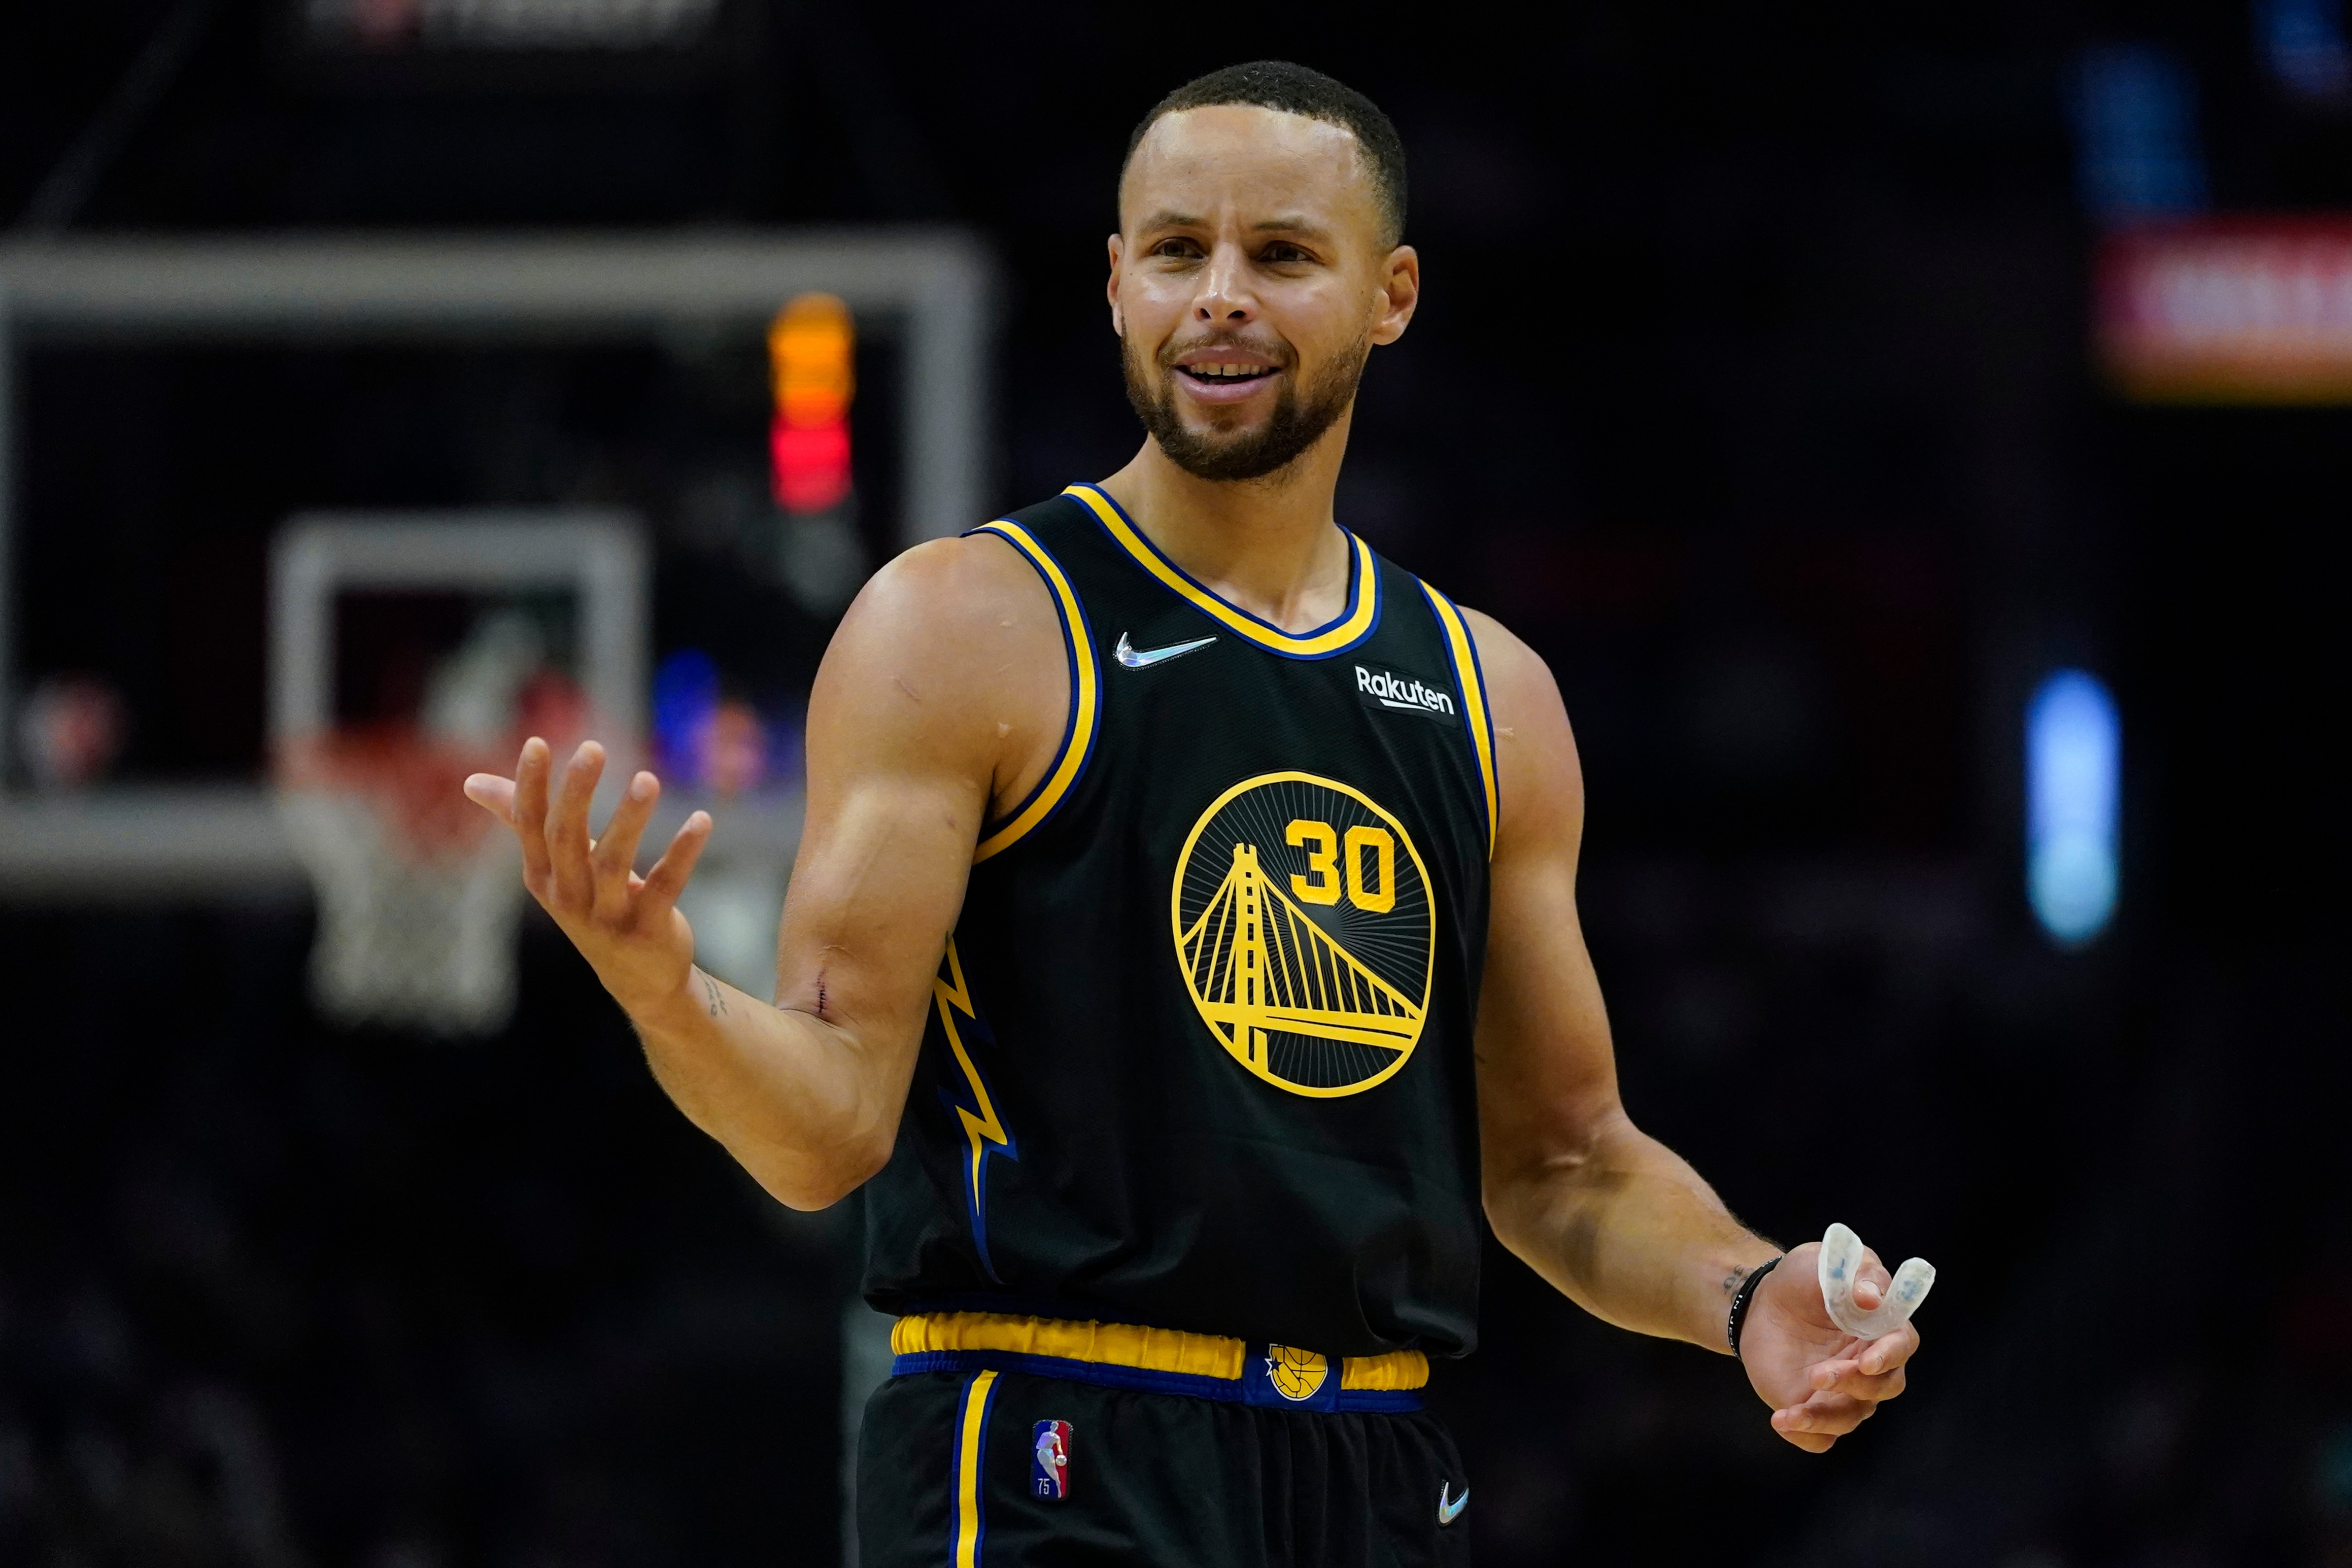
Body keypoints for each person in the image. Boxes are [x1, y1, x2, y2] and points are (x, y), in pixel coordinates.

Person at [464, 59, 1924, 1567]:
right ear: (1115, 284)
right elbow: (827, 1125)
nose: (1218, 295)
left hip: (1373, 1469)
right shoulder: (965, 626)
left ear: (1390, 294)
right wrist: (669, 995)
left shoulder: (1490, 696)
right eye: (1176, 250)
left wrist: (1746, 1293)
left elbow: (1562, 1162)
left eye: (1281, 254)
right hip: (1047, 1442)